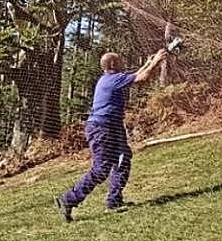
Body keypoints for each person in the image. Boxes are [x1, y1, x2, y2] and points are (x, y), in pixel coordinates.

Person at [56, 48, 167, 222]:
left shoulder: (110, 79)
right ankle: (68, 199)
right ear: (113, 64)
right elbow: (141, 78)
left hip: (111, 126)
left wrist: (148, 62)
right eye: (120, 61)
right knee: (102, 168)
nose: (123, 63)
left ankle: (114, 201)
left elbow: (136, 74)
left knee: (123, 158)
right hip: (102, 128)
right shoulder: (112, 80)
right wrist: (157, 61)